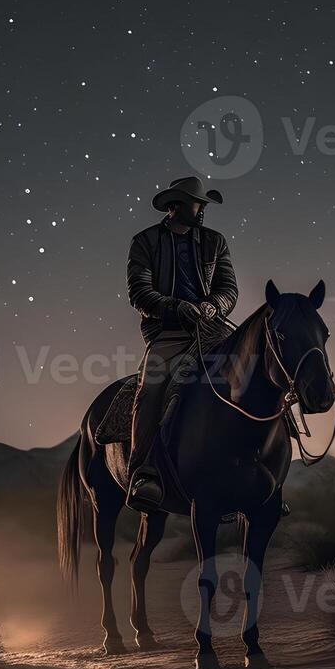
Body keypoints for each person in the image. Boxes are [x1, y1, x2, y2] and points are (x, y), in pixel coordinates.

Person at [125, 176, 238, 510]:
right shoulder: (145, 242)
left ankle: (267, 470)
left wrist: (214, 305)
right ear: (175, 205)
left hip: (212, 328)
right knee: (152, 389)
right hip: (168, 332)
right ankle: (142, 471)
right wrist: (176, 307)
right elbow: (139, 293)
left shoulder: (215, 242)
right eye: (196, 202)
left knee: (254, 372)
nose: (202, 209)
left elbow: (228, 288)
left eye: (202, 203)